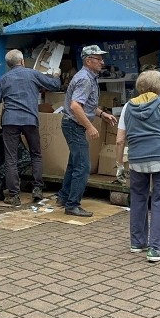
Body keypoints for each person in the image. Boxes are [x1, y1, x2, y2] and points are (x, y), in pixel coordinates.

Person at [114, 70, 160, 262]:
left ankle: (137, 243)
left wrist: (119, 164)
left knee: (138, 199)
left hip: (137, 160)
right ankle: (156, 249)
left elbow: (120, 140)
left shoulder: (127, 107)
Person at [0, 49, 61, 206]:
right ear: (22, 61)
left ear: (10, 65)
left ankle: (14, 195)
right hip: (30, 120)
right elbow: (55, 86)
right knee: (36, 154)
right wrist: (55, 75)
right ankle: (37, 189)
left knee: (11, 158)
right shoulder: (32, 74)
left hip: (10, 122)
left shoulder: (4, 79)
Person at [55, 45, 118, 217]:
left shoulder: (88, 76)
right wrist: (90, 126)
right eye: (98, 59)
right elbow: (75, 106)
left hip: (72, 125)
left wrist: (102, 114)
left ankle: (63, 196)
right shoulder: (85, 79)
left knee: (74, 163)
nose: (102, 62)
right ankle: (72, 205)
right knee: (83, 166)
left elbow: (86, 104)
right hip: (74, 126)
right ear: (88, 61)